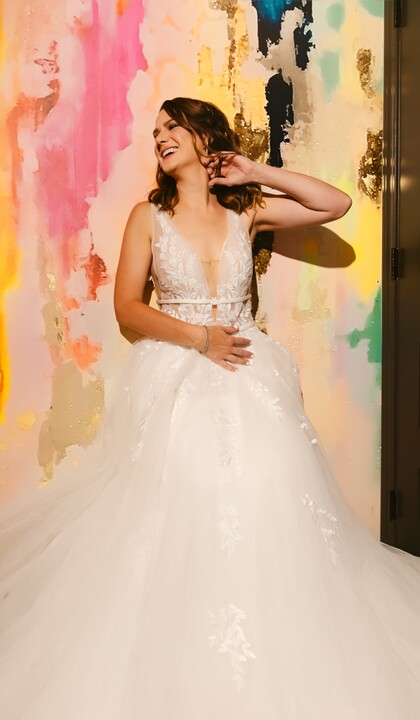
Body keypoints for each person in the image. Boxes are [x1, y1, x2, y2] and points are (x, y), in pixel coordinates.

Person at [0, 97, 419, 720]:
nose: (160, 137)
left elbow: (335, 204)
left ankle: (272, 636)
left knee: (270, 493)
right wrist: (200, 339)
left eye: (173, 126)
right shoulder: (148, 216)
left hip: (250, 373)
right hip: (178, 370)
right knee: (182, 497)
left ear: (205, 137)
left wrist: (256, 173)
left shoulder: (245, 211)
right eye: (155, 132)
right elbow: (128, 307)